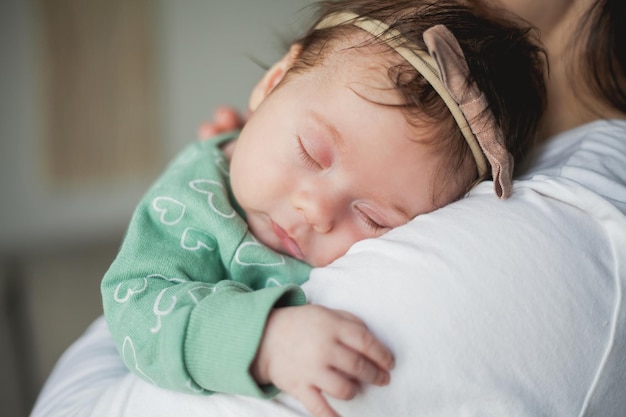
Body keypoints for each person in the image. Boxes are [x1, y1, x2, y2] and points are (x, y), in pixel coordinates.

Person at [29, 0, 626, 416]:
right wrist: (261, 341)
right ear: (271, 85)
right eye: (310, 152)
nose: (316, 210)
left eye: (374, 218)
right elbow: (135, 306)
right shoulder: (190, 207)